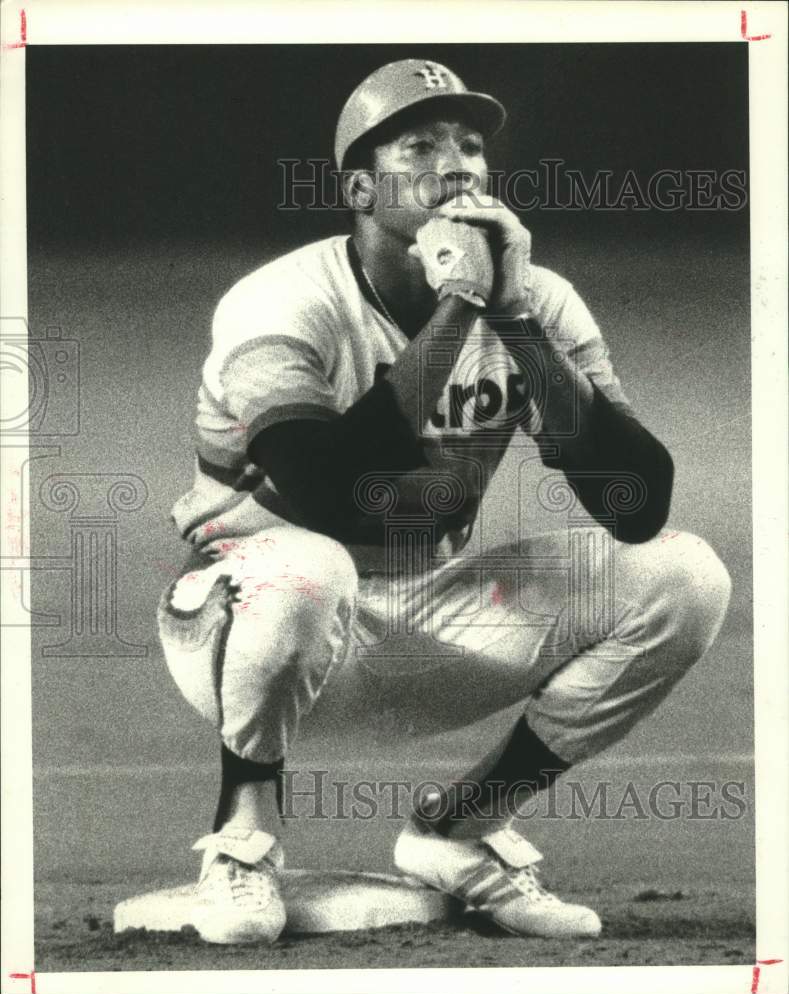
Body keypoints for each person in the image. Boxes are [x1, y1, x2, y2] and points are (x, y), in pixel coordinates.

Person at [157, 59, 731, 945]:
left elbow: (634, 503)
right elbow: (328, 493)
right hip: (244, 628)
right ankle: (243, 842)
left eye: (470, 145)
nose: (455, 164)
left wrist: (512, 322)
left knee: (683, 576)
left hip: (428, 614)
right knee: (305, 566)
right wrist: (460, 307)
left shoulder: (534, 302)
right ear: (358, 186)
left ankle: (458, 833)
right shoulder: (281, 302)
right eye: (418, 144)